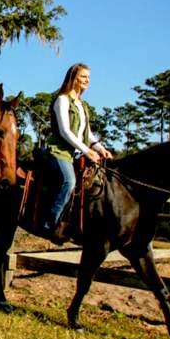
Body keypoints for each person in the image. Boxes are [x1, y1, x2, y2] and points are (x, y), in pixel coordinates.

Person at [40, 62, 113, 242]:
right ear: (73, 78)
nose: (87, 80)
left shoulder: (82, 105)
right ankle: (50, 224)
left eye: (88, 77)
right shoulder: (62, 100)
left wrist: (101, 149)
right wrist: (87, 151)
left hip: (76, 154)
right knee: (69, 181)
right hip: (58, 152)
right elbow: (65, 131)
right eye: (83, 76)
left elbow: (87, 134)